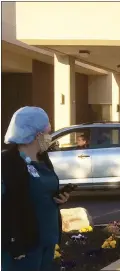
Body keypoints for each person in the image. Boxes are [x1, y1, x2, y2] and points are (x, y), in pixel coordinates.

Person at [1, 106, 70, 271]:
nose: (49, 137)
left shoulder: (43, 158)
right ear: (36, 134)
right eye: (47, 132)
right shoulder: (8, 161)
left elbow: (43, 191)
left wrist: (59, 198)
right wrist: (13, 241)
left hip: (47, 238)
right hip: (24, 243)